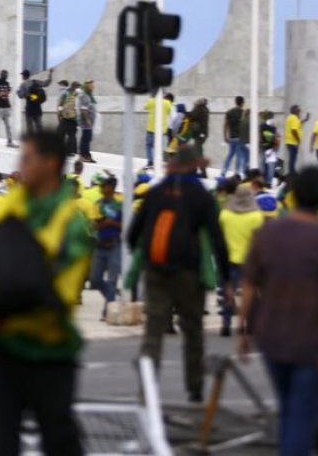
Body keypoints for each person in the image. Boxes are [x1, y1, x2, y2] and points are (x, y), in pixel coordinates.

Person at [0, 131, 94, 456]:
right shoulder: (10, 208)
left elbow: (61, 293)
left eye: (26, 158)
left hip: (50, 351)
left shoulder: (70, 223)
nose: (19, 166)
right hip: (6, 348)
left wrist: (0, 303)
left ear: (50, 163)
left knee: (59, 440)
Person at [127, 145, 231, 403]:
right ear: (195, 165)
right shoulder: (200, 195)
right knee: (193, 330)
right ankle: (194, 389)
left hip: (155, 271)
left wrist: (144, 263)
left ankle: (147, 392)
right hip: (188, 272)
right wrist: (226, 280)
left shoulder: (156, 192)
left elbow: (133, 234)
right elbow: (217, 239)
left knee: (153, 332)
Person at [238, 166, 318, 455]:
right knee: (301, 413)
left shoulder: (268, 233)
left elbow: (248, 284)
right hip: (309, 342)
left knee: (288, 407)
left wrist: (242, 329)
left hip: (271, 337)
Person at [218, 184, 263, 337]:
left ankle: (226, 324)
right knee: (250, 293)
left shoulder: (225, 214)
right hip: (249, 260)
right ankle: (250, 325)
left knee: (228, 292)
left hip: (229, 259)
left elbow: (220, 235)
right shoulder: (256, 216)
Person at [87, 175, 122, 320]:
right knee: (94, 279)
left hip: (115, 245)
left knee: (112, 279)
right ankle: (112, 297)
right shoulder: (98, 204)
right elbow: (94, 224)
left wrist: (112, 223)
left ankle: (107, 310)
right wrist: (105, 223)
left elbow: (126, 224)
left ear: (111, 188)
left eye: (104, 186)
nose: (101, 189)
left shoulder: (121, 204)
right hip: (100, 246)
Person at [16, 68, 52, 134]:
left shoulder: (23, 84)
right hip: (38, 108)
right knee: (39, 127)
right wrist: (50, 74)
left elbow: (20, 95)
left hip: (29, 109)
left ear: (23, 76)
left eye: (22, 75)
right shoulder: (36, 82)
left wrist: (25, 95)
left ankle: (32, 142)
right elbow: (46, 83)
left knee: (30, 128)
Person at [144, 92, 174, 167]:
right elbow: (173, 115)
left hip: (151, 128)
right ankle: (157, 161)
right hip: (162, 129)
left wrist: (152, 99)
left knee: (149, 145)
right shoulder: (167, 103)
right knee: (158, 146)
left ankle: (150, 162)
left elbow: (145, 107)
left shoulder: (152, 101)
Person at [222, 96, 249, 177]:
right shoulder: (244, 113)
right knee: (240, 155)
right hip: (240, 137)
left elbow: (225, 125)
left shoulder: (229, 112)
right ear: (242, 103)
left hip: (231, 137)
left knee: (230, 154)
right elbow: (245, 126)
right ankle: (237, 172)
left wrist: (225, 136)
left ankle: (224, 170)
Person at [56, 81, 80, 156]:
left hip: (69, 117)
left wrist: (59, 114)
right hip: (70, 117)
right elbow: (61, 104)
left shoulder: (68, 94)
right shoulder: (72, 94)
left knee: (66, 133)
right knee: (69, 134)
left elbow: (60, 105)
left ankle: (67, 151)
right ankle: (69, 151)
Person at [77, 79, 98, 163]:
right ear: (87, 86)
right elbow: (83, 109)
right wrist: (87, 120)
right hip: (86, 121)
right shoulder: (84, 95)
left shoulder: (89, 94)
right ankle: (83, 155)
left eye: (93, 85)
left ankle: (86, 155)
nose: (93, 86)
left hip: (89, 121)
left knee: (87, 138)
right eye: (91, 85)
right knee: (86, 138)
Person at [284, 105, 306, 175]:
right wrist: (298, 140)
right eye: (298, 110)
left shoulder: (290, 118)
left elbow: (298, 125)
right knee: (293, 158)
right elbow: (294, 130)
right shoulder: (294, 118)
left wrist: (305, 120)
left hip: (289, 141)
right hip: (293, 142)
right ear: (294, 111)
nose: (299, 112)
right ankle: (292, 172)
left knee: (292, 157)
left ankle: (292, 171)